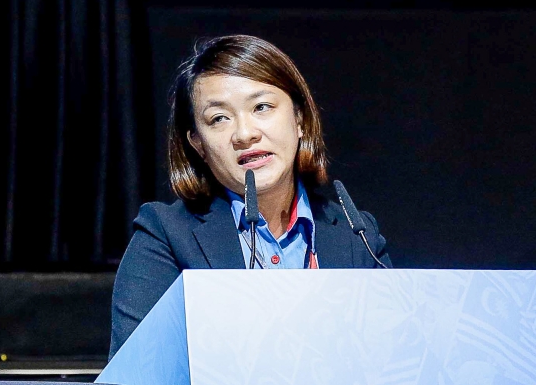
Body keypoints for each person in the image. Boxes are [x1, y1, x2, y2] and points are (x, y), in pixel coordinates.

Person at [110, 34, 390, 356]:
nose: (245, 134)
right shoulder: (165, 237)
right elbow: (139, 378)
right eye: (219, 119)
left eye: (262, 107)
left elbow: (393, 365)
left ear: (299, 120)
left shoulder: (358, 237)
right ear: (198, 144)